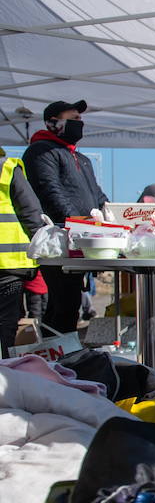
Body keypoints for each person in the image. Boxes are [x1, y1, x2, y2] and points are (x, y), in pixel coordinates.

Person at [23, 99, 106, 334]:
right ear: (53, 123)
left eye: (80, 120)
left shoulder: (82, 159)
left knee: (71, 306)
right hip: (60, 242)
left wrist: (113, 218)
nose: (79, 124)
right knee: (61, 306)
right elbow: (50, 192)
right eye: (73, 119)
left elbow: (98, 195)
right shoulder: (41, 152)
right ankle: (55, 362)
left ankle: (65, 359)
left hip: (83, 244)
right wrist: (79, 226)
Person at [0, 149, 44, 354]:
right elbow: (30, 211)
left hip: (9, 263)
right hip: (8, 263)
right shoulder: (7, 167)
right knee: (6, 320)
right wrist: (44, 245)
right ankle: (5, 372)